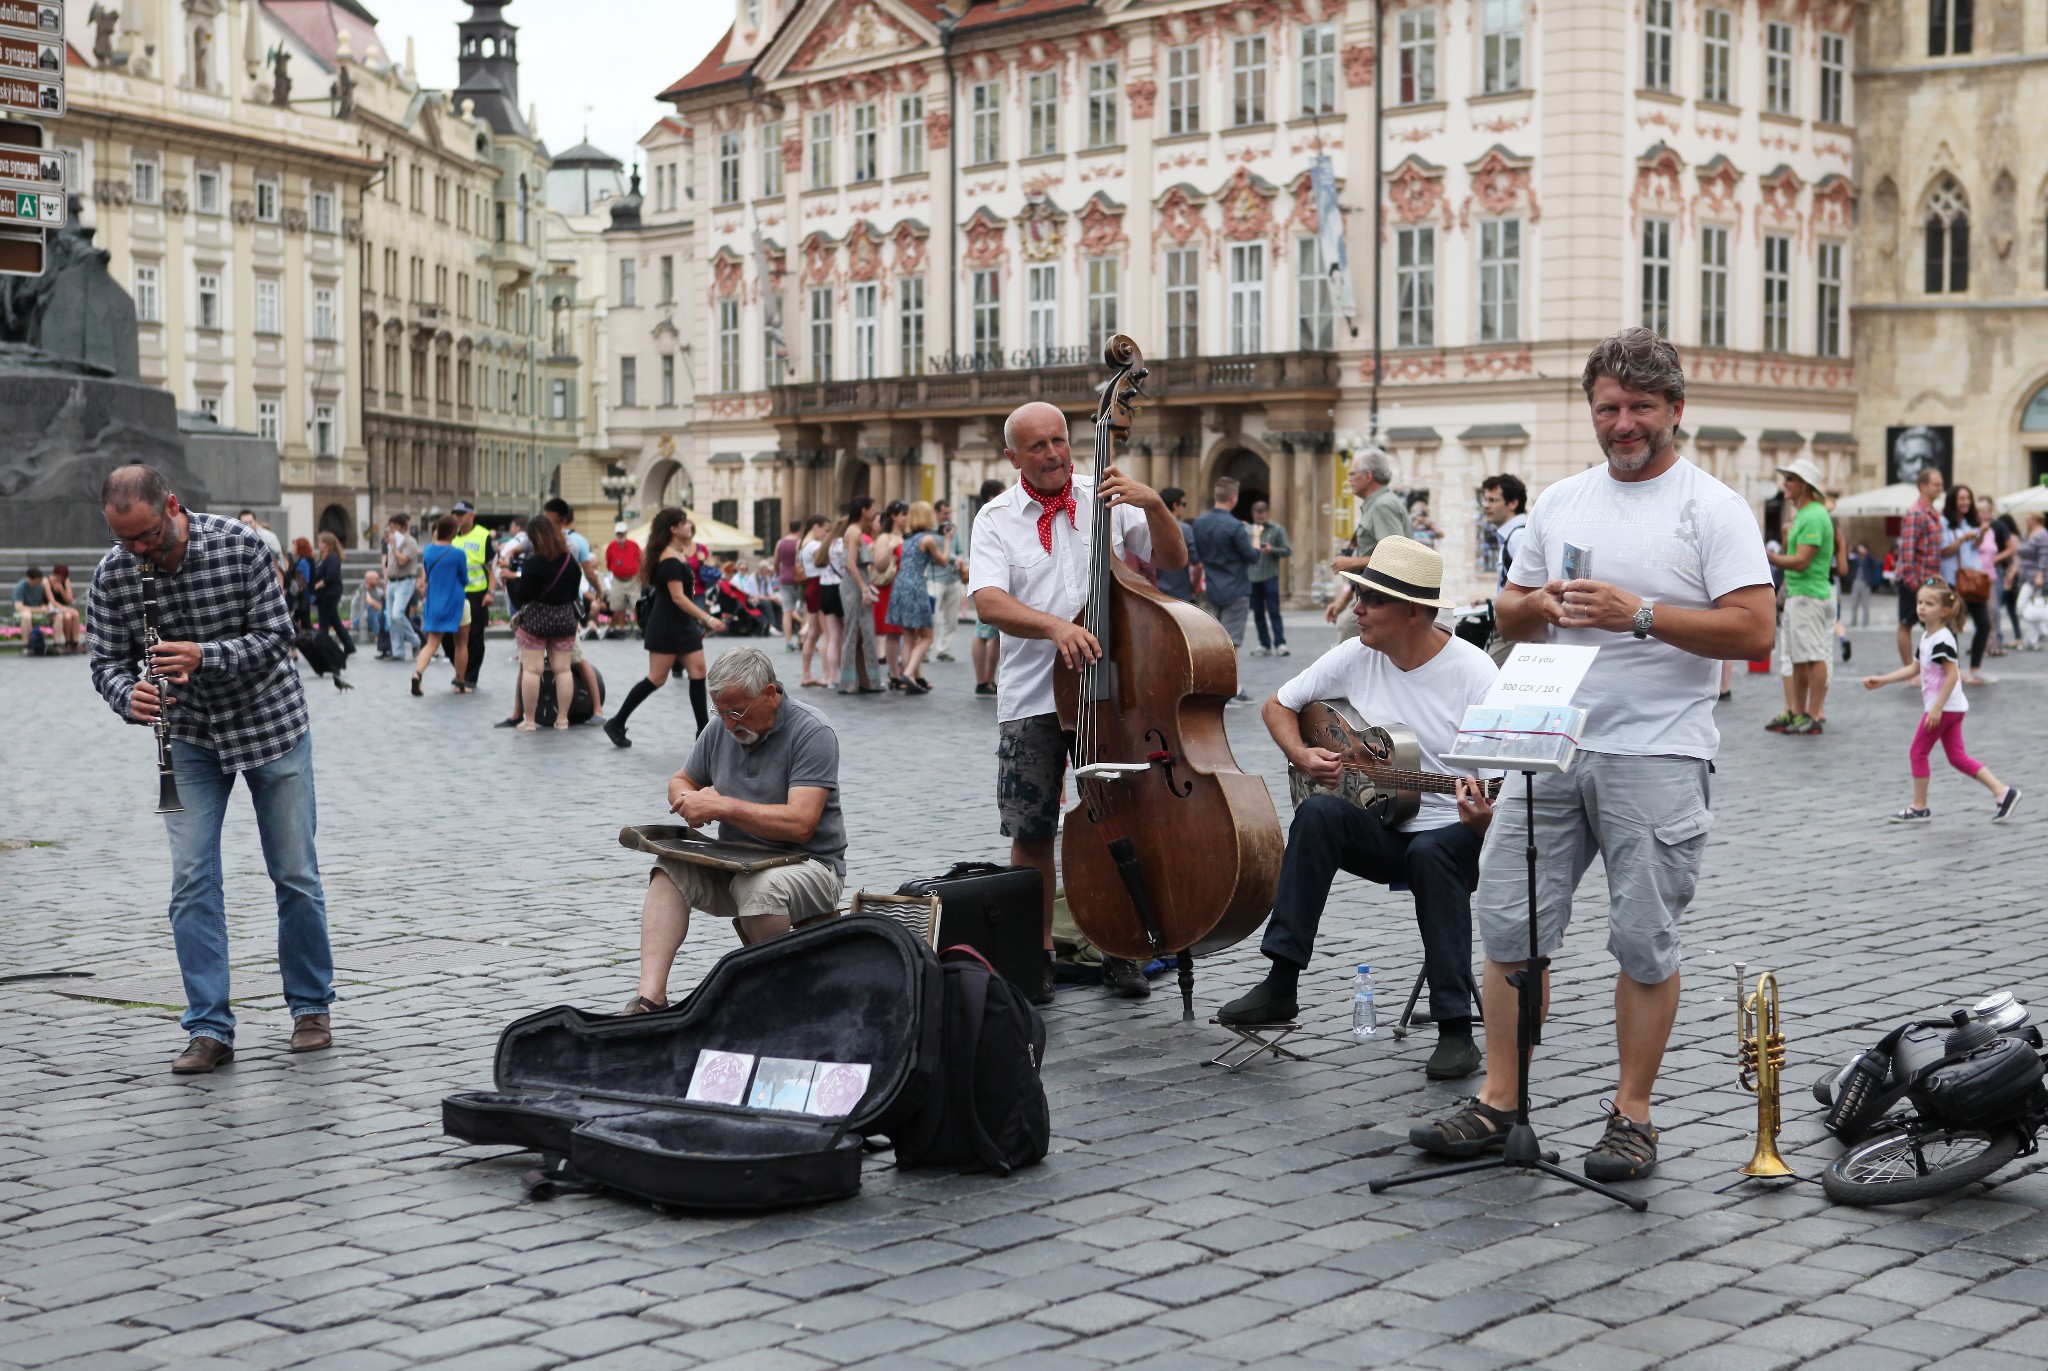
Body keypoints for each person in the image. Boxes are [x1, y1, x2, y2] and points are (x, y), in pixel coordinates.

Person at [1408, 328, 1774, 1183]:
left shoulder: (1711, 507)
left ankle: (1632, 1114)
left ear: (1675, 411)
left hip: (1657, 750)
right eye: (1609, 408)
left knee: (1643, 937)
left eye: (1641, 407)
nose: (1623, 423)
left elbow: (1754, 628)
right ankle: (1501, 1100)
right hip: (1546, 743)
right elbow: (1508, 609)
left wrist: (1637, 613)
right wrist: (1533, 603)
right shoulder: (1562, 501)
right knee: (1507, 923)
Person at [88, 465, 337, 1074]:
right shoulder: (115, 573)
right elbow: (105, 661)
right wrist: (129, 696)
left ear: (172, 505)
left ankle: (310, 1008)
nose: (139, 551)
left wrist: (206, 656)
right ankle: (208, 1027)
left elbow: (278, 637)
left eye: (147, 536)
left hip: (270, 724)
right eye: (126, 541)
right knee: (192, 880)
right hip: (190, 738)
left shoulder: (240, 545)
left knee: (295, 873)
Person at [1220, 536, 1499, 1081]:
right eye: (1357, 596)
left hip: (1452, 835)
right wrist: (1302, 754)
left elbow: (1501, 777)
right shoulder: (1356, 655)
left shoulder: (1475, 672)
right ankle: (1281, 983)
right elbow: (1279, 703)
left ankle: (1454, 1030)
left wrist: (1483, 811)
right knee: (1319, 813)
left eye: (1372, 601)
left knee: (1431, 856)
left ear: (1415, 612)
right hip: (1382, 825)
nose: (1357, 609)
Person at [970, 399, 1190, 1005]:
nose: (1053, 455)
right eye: (1036, 447)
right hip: (1034, 696)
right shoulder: (995, 518)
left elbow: (1172, 560)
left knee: (1116, 818)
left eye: (1059, 441)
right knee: (1032, 829)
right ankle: (1036, 952)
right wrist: (1054, 627)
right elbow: (988, 602)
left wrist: (1151, 505)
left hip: (1112, 691)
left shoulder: (1106, 495)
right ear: (1012, 456)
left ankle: (1121, 946)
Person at [624, 648, 847, 1012]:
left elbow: (802, 823)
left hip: (813, 865)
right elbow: (681, 779)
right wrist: (686, 799)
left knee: (758, 887)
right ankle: (650, 997)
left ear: (771, 694)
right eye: (720, 712)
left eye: (737, 711)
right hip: (737, 861)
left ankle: (777, 997)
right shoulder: (719, 730)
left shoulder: (811, 731)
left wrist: (723, 806)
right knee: (669, 871)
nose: (729, 724)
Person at [1861, 579, 2021, 825]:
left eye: (1929, 604)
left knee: (1917, 752)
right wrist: (1882, 680)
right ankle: (2003, 792)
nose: (1922, 608)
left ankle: (1920, 806)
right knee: (1957, 757)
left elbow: (1953, 675)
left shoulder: (1942, 639)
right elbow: (1914, 668)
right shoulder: (1929, 636)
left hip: (1943, 708)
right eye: (1920, 602)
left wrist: (1936, 707)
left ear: (1945, 611)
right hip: (1951, 707)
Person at [605, 509, 728, 748]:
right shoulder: (669, 559)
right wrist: (707, 618)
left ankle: (702, 733)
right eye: (683, 523)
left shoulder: (677, 554)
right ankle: (616, 721)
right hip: (666, 625)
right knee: (657, 678)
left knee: (698, 672)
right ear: (673, 528)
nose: (688, 526)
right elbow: (678, 598)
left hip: (683, 624)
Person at [1764, 458, 1835, 736]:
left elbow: (1803, 560)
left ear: (1804, 485)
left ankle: (1813, 713)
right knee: (1798, 657)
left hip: (1810, 593)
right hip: (1799, 593)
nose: (1785, 485)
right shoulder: (1805, 515)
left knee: (1813, 656)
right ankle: (1797, 711)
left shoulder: (1815, 515)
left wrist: (1768, 557)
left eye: (1790, 479)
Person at [499, 511, 582, 730]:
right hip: (564, 619)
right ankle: (562, 719)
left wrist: (511, 582)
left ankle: (530, 720)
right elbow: (574, 594)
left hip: (536, 621)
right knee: (563, 670)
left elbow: (523, 595)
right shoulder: (569, 562)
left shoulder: (533, 563)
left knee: (532, 670)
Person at [1327, 448, 1412, 639]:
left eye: (1352, 473)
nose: (1348, 479)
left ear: (1368, 476)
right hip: (1370, 595)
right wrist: (1344, 598)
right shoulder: (1377, 504)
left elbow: (1396, 553)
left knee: (1349, 642)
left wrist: (1350, 563)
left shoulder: (1383, 505)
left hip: (1380, 597)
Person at [1192, 477, 1259, 700]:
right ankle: (1232, 687)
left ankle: (1212, 680)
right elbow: (1252, 556)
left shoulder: (1200, 523)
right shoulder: (1234, 526)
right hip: (1236, 588)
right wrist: (1256, 538)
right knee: (1231, 642)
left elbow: (1198, 554)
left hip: (1212, 587)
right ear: (1233, 498)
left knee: (1214, 640)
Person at [888, 499, 950, 691]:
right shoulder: (927, 539)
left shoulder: (906, 539)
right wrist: (947, 541)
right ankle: (908, 673)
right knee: (927, 636)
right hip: (915, 586)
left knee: (908, 637)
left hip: (899, 585)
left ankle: (911, 678)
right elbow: (943, 561)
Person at [412, 514, 472, 693]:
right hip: (456, 602)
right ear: (454, 532)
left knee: (431, 644)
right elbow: (464, 579)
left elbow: (428, 574)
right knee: (461, 643)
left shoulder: (429, 550)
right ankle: (460, 684)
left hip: (434, 601)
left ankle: (417, 674)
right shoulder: (458, 554)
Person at [1894, 466, 1946, 666]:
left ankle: (1926, 666)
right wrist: (1912, 582)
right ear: (1923, 486)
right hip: (1914, 580)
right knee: (1906, 623)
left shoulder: (1933, 512)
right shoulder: (1916, 513)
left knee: (1931, 623)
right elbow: (1907, 550)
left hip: (1929, 580)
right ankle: (1909, 669)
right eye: (1936, 484)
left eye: (1941, 484)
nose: (1940, 488)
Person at [838, 497, 883, 695]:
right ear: (864, 510)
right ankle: (850, 682)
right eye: (873, 509)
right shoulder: (855, 532)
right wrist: (864, 587)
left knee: (861, 634)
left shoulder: (854, 530)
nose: (875, 512)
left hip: (856, 584)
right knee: (854, 633)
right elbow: (850, 563)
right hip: (854, 585)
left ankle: (863, 681)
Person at [450, 501, 496, 689]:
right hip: (455, 593)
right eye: (456, 514)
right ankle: (461, 670)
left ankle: (470, 676)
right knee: (449, 635)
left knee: (475, 637)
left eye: (462, 514)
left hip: (477, 593)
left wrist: (491, 592)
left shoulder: (483, 536)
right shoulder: (451, 535)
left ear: (471, 515)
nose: (459, 517)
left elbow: (493, 567)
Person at [969, 478, 1003, 697]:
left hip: (994, 581)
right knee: (984, 633)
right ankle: (983, 680)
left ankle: (989, 679)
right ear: (992, 496)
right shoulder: (987, 517)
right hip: (988, 582)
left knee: (996, 635)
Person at [1247, 498, 1292, 658]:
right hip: (1252, 576)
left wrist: (1272, 549)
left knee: (1274, 611)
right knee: (1258, 612)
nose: (1260, 516)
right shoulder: (1248, 530)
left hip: (1270, 575)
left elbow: (1287, 550)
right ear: (1253, 514)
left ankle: (1280, 643)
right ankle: (1264, 644)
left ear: (1268, 513)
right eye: (1257, 514)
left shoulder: (1277, 529)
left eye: (1263, 513)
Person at [873, 500, 908, 689]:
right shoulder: (885, 537)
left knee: (910, 633)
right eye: (904, 514)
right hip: (890, 588)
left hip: (906, 589)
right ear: (894, 516)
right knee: (893, 633)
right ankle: (894, 673)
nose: (907, 518)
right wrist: (890, 547)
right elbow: (880, 565)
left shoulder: (909, 536)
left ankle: (910, 672)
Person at [929, 499, 968, 662]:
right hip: (935, 578)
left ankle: (943, 649)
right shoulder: (930, 531)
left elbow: (960, 550)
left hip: (953, 578)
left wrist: (961, 559)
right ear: (937, 513)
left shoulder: (953, 530)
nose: (947, 516)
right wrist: (954, 558)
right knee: (931, 617)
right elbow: (933, 553)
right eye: (945, 513)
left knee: (951, 618)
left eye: (949, 513)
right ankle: (925, 649)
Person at [382, 514, 424, 663]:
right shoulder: (392, 541)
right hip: (392, 582)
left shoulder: (410, 542)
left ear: (401, 526)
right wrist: (386, 581)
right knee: (391, 619)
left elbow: (402, 561)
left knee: (397, 614)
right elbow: (390, 563)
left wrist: (393, 546)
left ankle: (416, 641)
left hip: (405, 581)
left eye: (393, 527)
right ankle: (398, 651)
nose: (391, 530)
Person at [795, 514, 830, 685]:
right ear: (816, 526)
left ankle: (806, 674)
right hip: (819, 585)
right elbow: (827, 561)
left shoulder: (802, 545)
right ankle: (826, 674)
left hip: (811, 585)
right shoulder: (815, 545)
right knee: (827, 633)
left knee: (813, 633)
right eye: (825, 529)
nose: (826, 534)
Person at [309, 530, 355, 659]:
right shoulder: (324, 557)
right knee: (335, 621)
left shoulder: (332, 557)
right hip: (326, 593)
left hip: (330, 593)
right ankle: (349, 645)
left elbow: (331, 576)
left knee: (323, 622)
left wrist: (318, 585)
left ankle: (324, 649)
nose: (319, 544)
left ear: (327, 544)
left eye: (321, 542)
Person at [1481, 474, 1530, 593]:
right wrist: (1492, 603)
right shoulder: (1512, 535)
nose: (1486, 505)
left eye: (1492, 500)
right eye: (1485, 499)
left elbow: (1530, 589)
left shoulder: (1518, 537)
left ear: (1513, 503)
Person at [1153, 487, 1201, 604]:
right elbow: (1198, 566)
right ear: (1175, 505)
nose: (1183, 508)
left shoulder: (1150, 527)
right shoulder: (1185, 529)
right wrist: (1193, 590)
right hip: (1181, 594)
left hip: (1154, 592)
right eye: (1183, 504)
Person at [604, 520, 643, 638]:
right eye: (618, 534)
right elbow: (609, 562)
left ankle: (641, 628)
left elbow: (641, 560)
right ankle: (620, 630)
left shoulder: (634, 545)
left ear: (626, 533)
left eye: (622, 533)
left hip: (633, 579)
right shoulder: (611, 546)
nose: (620, 536)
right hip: (618, 579)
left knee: (636, 604)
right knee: (618, 605)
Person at [2016, 512, 2048, 649]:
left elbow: (2044, 556)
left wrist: (2040, 574)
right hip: (2024, 575)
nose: (2026, 521)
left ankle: (2038, 636)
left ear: (2036, 520)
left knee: (2023, 607)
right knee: (2029, 608)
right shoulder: (2027, 534)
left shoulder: (2042, 535)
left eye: (2028, 519)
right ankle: (2033, 639)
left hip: (2035, 576)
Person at [774, 518, 805, 652]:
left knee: (787, 611)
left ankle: (788, 642)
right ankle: (801, 640)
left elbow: (776, 561)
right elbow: (802, 560)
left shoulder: (780, 542)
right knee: (804, 610)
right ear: (800, 529)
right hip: (799, 579)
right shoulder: (799, 543)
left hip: (784, 578)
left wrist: (777, 572)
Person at [43, 563, 84, 652]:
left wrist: (61, 590)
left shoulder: (66, 581)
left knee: (73, 614)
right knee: (68, 615)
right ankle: (68, 641)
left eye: (62, 577)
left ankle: (75, 642)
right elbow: (52, 601)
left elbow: (69, 600)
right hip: (53, 608)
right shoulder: (47, 581)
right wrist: (65, 609)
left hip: (64, 607)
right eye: (58, 576)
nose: (60, 579)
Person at [11, 565, 55, 642]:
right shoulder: (20, 587)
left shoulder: (42, 585)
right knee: (26, 615)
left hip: (41, 611)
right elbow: (19, 607)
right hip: (24, 613)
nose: (39, 583)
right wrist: (39, 610)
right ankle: (26, 644)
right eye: (38, 581)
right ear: (31, 579)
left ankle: (57, 643)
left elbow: (47, 601)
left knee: (59, 616)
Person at [350, 569, 388, 657]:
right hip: (358, 622)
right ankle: (378, 635)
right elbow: (370, 602)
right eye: (376, 579)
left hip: (372, 619)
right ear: (369, 581)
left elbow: (383, 608)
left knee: (382, 614)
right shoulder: (361, 591)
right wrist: (378, 606)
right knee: (371, 609)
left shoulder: (379, 591)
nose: (379, 580)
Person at [1845, 540, 1880, 628]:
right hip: (1856, 581)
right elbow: (1848, 561)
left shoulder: (1868, 558)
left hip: (1865, 582)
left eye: (1862, 548)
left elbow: (1874, 563)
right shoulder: (1855, 558)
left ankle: (1865, 622)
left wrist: (1866, 554)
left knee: (1865, 604)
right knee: (1854, 603)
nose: (1860, 550)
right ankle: (1853, 621)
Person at [287, 537, 315, 631]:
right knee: (302, 622)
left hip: (303, 595)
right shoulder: (307, 560)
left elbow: (304, 580)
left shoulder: (303, 561)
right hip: (304, 595)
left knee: (304, 623)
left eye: (295, 546)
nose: (293, 549)